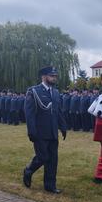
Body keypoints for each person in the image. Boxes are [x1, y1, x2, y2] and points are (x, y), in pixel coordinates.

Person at [23, 66, 67, 194]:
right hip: (40, 132)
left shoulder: (56, 92)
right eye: (51, 76)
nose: (54, 78)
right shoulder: (33, 91)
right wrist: (31, 131)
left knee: (53, 159)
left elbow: (58, 112)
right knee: (43, 157)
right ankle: (28, 170)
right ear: (43, 77)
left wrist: (63, 127)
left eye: (55, 76)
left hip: (53, 132)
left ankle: (50, 185)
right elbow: (29, 114)